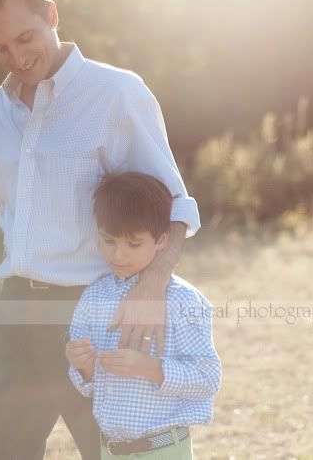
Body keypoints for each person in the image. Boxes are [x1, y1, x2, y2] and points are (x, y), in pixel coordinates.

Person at [0, 0, 200, 459]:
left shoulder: (116, 93)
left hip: (97, 313)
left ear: (52, 13)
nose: (17, 57)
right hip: (18, 311)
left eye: (26, 37)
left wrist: (151, 287)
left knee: (115, 452)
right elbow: (6, 207)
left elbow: (175, 207)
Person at [66, 171, 220, 459]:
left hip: (163, 449)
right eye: (108, 240)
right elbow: (86, 385)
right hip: (110, 450)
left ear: (162, 241)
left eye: (133, 244)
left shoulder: (183, 300)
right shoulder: (93, 297)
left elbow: (208, 377)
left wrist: (149, 368)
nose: (118, 255)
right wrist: (83, 366)